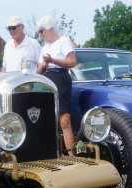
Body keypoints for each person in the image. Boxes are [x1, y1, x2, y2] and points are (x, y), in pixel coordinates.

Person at [36, 15, 77, 156]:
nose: (40, 35)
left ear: (51, 28)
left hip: (60, 78)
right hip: (45, 79)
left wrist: (53, 60)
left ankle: (72, 156)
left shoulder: (64, 41)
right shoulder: (43, 48)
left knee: (64, 120)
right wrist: (42, 66)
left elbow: (72, 62)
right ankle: (50, 153)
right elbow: (37, 72)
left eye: (42, 31)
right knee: (47, 120)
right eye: (39, 32)